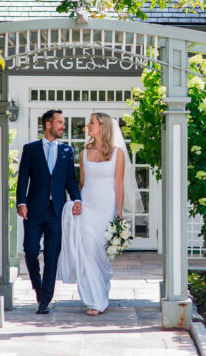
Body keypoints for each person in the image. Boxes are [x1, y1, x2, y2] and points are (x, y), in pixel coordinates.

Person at [58, 112, 143, 316]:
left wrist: (120, 212)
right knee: (86, 252)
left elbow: (119, 184)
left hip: (107, 207)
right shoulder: (84, 153)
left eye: (92, 122)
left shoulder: (117, 153)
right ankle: (94, 300)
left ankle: (101, 292)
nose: (88, 125)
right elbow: (81, 183)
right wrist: (76, 202)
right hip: (87, 206)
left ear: (102, 126)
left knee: (101, 256)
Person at [16, 110, 82, 314]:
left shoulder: (67, 151)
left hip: (57, 212)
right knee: (31, 251)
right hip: (34, 210)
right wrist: (21, 202)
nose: (63, 126)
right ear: (48, 124)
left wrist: (77, 199)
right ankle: (38, 287)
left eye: (63, 122)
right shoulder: (31, 149)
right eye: (60, 123)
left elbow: (70, 178)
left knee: (52, 256)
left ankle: (45, 299)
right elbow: (23, 178)